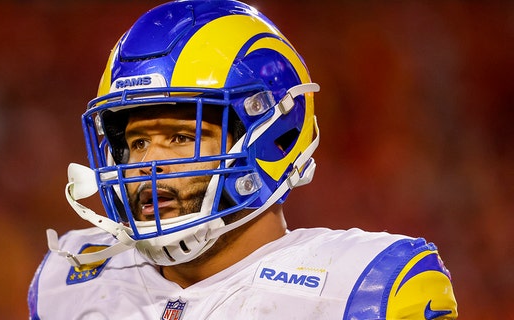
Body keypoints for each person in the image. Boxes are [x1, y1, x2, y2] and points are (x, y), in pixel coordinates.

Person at [28, 1, 458, 319]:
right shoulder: (68, 281)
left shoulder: (367, 290)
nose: (147, 162)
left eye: (180, 137)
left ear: (270, 138)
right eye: (137, 142)